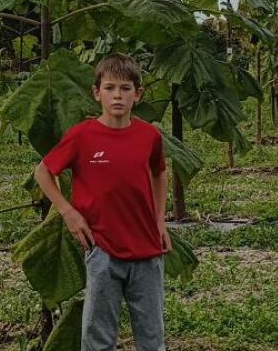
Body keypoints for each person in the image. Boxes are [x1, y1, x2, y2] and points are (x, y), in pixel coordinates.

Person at [34, 52, 171, 351]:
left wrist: (160, 220)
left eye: (125, 88)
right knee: (98, 339)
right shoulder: (82, 135)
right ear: (97, 93)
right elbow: (43, 172)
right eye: (109, 88)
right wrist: (68, 212)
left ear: (138, 94)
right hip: (102, 252)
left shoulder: (149, 136)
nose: (117, 96)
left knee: (152, 339)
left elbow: (160, 173)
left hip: (147, 251)